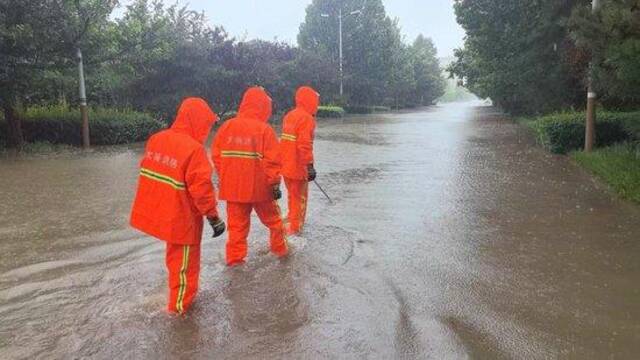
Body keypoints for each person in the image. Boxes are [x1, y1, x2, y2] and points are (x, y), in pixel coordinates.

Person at [130, 97, 226, 315]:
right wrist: (213, 218)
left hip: (161, 213)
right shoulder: (194, 150)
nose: (207, 129)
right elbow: (201, 190)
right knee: (185, 270)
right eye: (206, 124)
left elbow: (149, 171)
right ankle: (179, 317)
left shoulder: (157, 139)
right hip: (181, 219)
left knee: (175, 262)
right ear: (198, 121)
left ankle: (176, 304)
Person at [211, 86, 288, 266]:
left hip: (234, 190)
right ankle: (282, 254)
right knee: (275, 223)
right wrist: (275, 184)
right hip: (260, 190)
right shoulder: (264, 129)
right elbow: (272, 161)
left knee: (236, 230)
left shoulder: (227, 126)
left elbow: (216, 156)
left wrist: (228, 177)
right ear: (263, 107)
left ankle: (235, 264)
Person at [280, 86, 320, 236]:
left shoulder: (289, 116)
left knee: (292, 196)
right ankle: (296, 230)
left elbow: (286, 142)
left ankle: (290, 220)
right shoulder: (307, 119)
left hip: (285, 166)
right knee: (300, 200)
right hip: (298, 168)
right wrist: (309, 167)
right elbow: (304, 145)